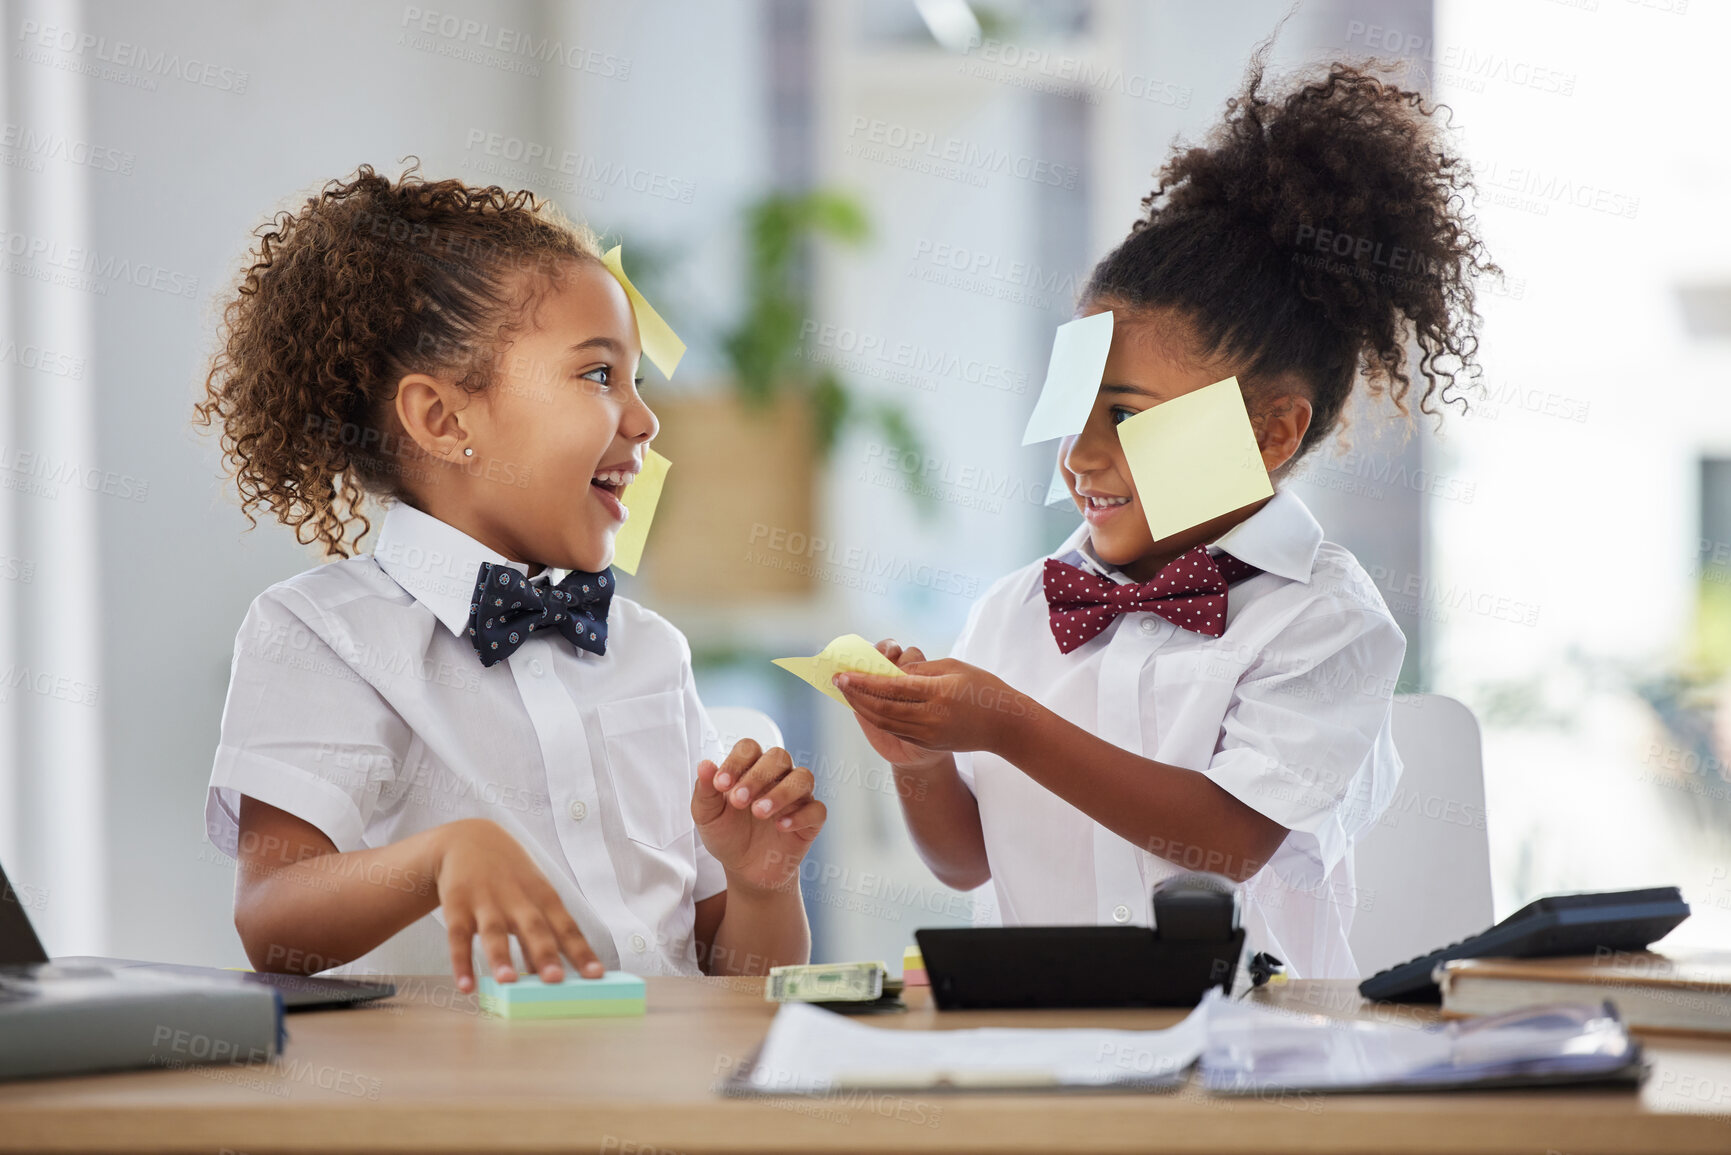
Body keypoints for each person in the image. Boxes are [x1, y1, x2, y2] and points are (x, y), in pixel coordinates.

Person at [834, 60, 1496, 978]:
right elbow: (964, 861)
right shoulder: (1016, 608)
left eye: (1130, 416)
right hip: (1037, 1062)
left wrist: (1009, 723)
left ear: (1270, 432)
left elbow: (1221, 842)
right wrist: (917, 755)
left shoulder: (1322, 620)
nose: (1078, 456)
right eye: (1072, 410)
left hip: (1252, 1069)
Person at [195, 165, 824, 991]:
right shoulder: (325, 634)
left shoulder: (651, 652)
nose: (645, 418)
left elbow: (742, 976)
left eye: (637, 379)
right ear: (444, 419)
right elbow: (273, 916)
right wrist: (442, 855)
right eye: (599, 374)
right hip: (462, 1117)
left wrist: (758, 881)